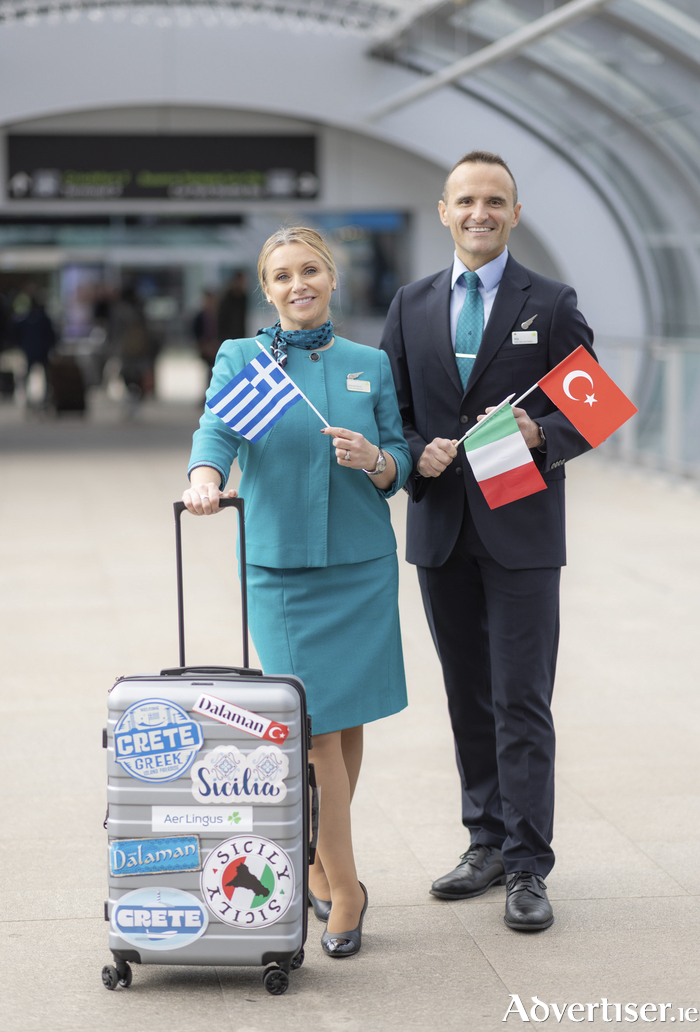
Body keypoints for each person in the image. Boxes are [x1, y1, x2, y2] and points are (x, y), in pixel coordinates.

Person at [380, 151, 595, 932]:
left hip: (523, 529)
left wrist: (545, 430)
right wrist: (413, 452)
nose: (480, 212)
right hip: (443, 527)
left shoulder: (553, 301)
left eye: (495, 200)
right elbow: (393, 414)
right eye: (466, 199)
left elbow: (594, 407)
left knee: (521, 699)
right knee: (468, 695)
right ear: (444, 210)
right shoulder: (411, 303)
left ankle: (530, 864)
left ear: (513, 210)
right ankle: (486, 841)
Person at [183, 226, 412, 957]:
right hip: (280, 569)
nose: (297, 283)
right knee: (308, 731)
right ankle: (347, 883)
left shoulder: (367, 362)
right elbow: (217, 430)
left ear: (332, 277)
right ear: (267, 287)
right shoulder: (245, 359)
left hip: (360, 564)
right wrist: (205, 477)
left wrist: (377, 459)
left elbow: (401, 459)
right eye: (281, 275)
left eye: (309, 269)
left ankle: (318, 857)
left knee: (343, 725)